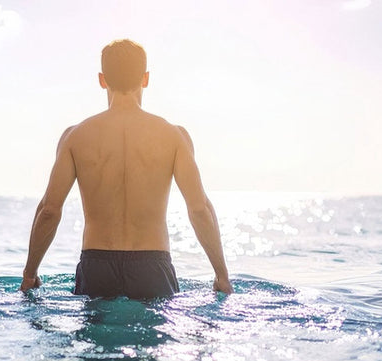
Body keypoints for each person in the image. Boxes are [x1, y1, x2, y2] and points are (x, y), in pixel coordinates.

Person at [19, 39, 232, 299]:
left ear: (102, 79)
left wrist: (30, 273)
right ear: (145, 78)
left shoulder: (75, 137)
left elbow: (49, 210)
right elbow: (199, 210)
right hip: (152, 265)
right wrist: (222, 276)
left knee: (96, 339)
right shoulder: (174, 136)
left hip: (96, 265)